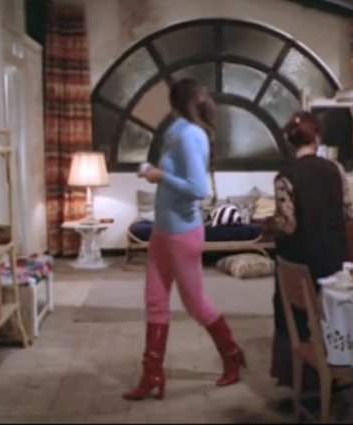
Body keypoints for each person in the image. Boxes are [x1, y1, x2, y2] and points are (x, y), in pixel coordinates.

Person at [123, 78, 245, 401]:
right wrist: (157, 173)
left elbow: (198, 189)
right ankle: (152, 373)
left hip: (182, 232)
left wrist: (160, 175)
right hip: (163, 229)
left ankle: (232, 356)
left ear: (174, 103)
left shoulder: (190, 134)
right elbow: (177, 177)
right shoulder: (177, 132)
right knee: (154, 299)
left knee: (195, 304)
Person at [268, 111, 353, 390]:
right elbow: (347, 212)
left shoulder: (286, 175)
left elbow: (288, 224)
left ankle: (301, 377)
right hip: (332, 260)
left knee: (294, 313)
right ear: (316, 137)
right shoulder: (335, 170)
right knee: (330, 315)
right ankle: (339, 366)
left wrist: (270, 225)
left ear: (292, 142)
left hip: (300, 263)